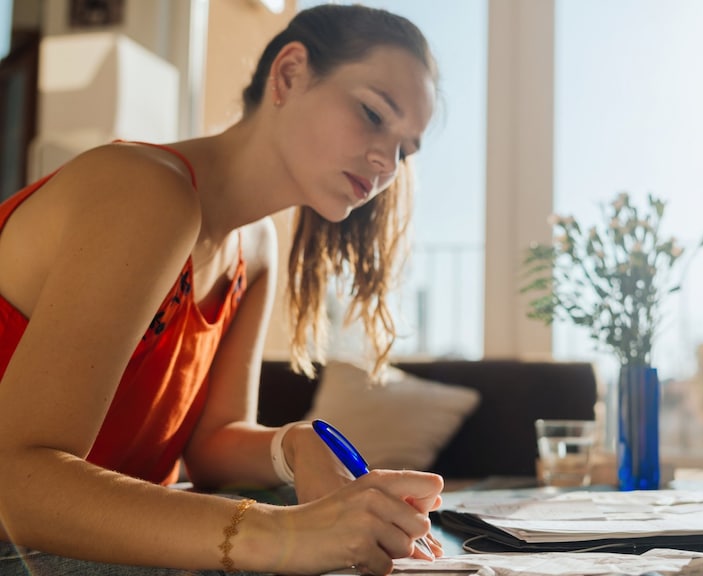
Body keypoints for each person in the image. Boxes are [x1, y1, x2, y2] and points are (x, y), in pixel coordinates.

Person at [0, 4, 444, 575]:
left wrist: (294, 445)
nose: (387, 162)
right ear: (288, 74)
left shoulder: (254, 249)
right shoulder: (144, 191)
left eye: (406, 149)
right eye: (372, 113)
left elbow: (209, 445)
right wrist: (285, 534)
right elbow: (14, 479)